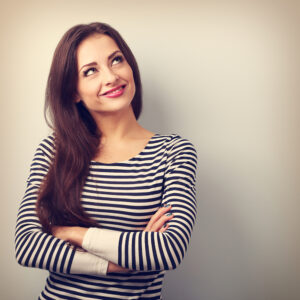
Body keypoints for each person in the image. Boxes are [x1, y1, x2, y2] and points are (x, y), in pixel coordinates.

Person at [15, 22, 198, 300]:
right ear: (73, 91)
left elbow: (168, 250)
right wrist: (115, 265)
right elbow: (28, 245)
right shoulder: (54, 151)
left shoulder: (174, 152)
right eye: (90, 71)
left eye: (116, 60)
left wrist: (70, 233)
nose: (111, 77)